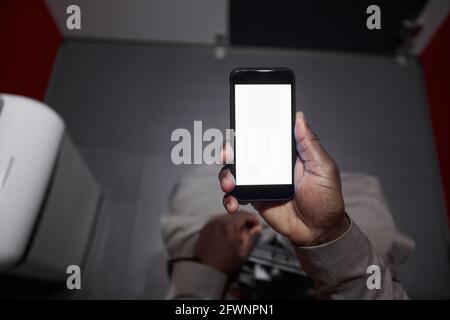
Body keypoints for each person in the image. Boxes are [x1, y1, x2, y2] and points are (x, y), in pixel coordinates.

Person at [166, 112, 409, 299]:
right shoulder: (362, 193)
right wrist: (327, 234)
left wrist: (206, 269)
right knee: (366, 197)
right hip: (341, 264)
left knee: (201, 185)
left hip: (220, 268)